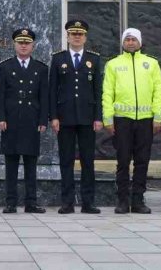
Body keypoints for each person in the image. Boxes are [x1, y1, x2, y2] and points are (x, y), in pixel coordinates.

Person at [102, 27, 161, 214]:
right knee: (122, 161)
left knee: (142, 161)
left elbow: (159, 91)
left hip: (146, 120)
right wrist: (108, 118)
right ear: (123, 42)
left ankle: (138, 200)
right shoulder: (113, 64)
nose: (130, 42)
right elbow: (107, 92)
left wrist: (158, 116)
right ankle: (122, 200)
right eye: (127, 39)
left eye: (133, 39)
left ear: (140, 42)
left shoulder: (151, 63)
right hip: (122, 120)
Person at [50, 20, 103, 214]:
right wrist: (54, 117)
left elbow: (98, 90)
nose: (77, 37)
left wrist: (98, 117)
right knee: (66, 161)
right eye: (73, 34)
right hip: (65, 117)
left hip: (87, 118)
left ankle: (88, 202)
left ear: (85, 37)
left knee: (88, 161)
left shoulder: (94, 59)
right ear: (68, 36)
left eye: (80, 34)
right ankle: (67, 202)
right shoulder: (58, 59)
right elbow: (52, 90)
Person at [0, 28, 48, 214]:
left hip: (31, 120)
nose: (24, 46)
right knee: (11, 164)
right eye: (20, 43)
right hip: (11, 121)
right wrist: (0, 118)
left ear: (33, 46)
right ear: (14, 45)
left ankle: (31, 202)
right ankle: (11, 202)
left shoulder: (41, 68)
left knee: (31, 164)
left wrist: (43, 120)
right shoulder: (5, 67)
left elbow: (44, 97)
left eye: (27, 43)